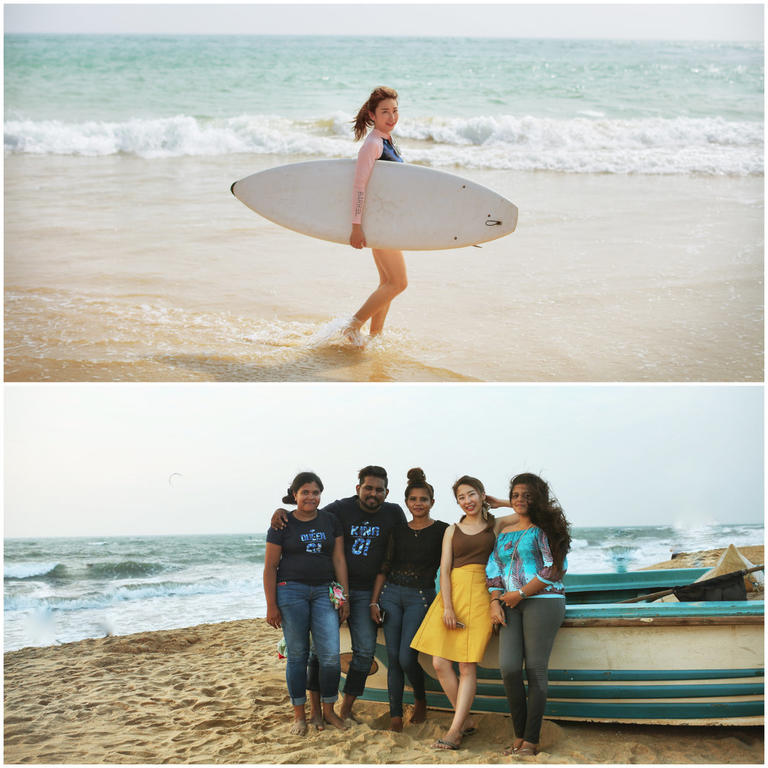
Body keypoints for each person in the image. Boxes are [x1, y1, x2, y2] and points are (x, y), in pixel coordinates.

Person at [271, 465, 406, 724]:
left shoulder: (393, 512)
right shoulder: (339, 510)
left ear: (386, 492)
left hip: (368, 592)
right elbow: (307, 513)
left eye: (379, 490)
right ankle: (315, 710)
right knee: (319, 654)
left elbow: (405, 541)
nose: (373, 493)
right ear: (358, 488)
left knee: (365, 653)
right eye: (368, 488)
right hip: (333, 588)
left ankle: (345, 708)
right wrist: (281, 512)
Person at [410, 475, 518, 751]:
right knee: (439, 663)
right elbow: (444, 570)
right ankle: (465, 719)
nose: (467, 501)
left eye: (472, 494)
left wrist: (501, 502)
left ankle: (455, 729)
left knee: (467, 664)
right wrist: (447, 605)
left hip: (482, 595)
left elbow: (532, 512)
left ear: (482, 495)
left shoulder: (496, 525)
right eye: (461, 497)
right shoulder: (452, 529)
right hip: (452, 594)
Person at [486, 473, 571, 757]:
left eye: (527, 495)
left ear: (538, 499)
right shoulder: (505, 534)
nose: (521, 500)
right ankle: (520, 734)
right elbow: (494, 570)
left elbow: (555, 568)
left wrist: (521, 593)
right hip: (508, 603)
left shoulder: (545, 529)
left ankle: (530, 740)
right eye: (516, 495)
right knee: (509, 668)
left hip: (543, 600)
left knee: (535, 669)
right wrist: (495, 601)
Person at [263, 471, 350, 734]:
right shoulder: (282, 524)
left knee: (331, 657)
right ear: (294, 495)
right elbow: (270, 566)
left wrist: (343, 596)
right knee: (298, 657)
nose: (310, 497)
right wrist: (271, 605)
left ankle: (328, 712)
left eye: (315, 492)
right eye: (305, 492)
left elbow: (338, 560)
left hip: (324, 592)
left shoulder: (330, 521)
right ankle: (299, 716)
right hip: (291, 593)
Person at [368, 468, 449, 732]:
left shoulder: (443, 531)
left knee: (406, 657)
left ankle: (420, 700)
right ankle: (394, 716)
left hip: (421, 597)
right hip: (390, 595)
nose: (418, 504)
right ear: (407, 503)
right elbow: (384, 567)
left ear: (432, 503)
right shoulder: (398, 530)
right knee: (392, 657)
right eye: (413, 499)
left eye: (423, 499)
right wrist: (374, 601)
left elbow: (455, 565)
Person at [342, 86, 408, 346]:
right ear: (372, 115)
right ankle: (352, 327)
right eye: (385, 112)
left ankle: (375, 337)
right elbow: (359, 186)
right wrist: (356, 227)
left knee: (387, 282)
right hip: (379, 224)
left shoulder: (386, 140)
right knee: (399, 283)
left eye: (395, 111)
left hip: (387, 221)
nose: (391, 117)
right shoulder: (372, 144)